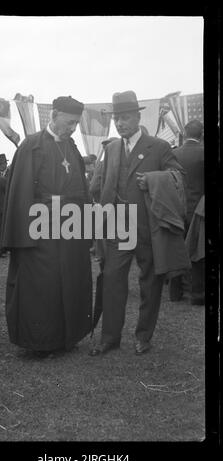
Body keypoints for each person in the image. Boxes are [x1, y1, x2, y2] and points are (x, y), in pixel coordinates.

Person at [89, 90, 186, 356]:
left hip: (149, 227)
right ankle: (110, 338)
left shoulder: (159, 146)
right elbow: (97, 185)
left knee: (150, 283)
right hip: (119, 226)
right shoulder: (110, 148)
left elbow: (177, 176)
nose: (119, 123)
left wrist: (154, 179)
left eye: (124, 118)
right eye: (116, 118)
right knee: (112, 280)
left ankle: (144, 336)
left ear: (137, 117)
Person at [1, 96, 92, 357]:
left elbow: (81, 190)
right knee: (42, 288)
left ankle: (67, 338)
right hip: (39, 233)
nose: (72, 128)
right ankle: (40, 343)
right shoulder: (32, 146)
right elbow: (20, 193)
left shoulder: (72, 148)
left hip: (71, 232)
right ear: (53, 115)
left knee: (71, 283)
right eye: (69, 122)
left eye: (76, 123)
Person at [169, 119, 204, 305]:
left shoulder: (173, 154)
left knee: (177, 249)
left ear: (184, 132)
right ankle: (198, 294)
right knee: (198, 252)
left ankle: (175, 292)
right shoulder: (203, 153)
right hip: (199, 210)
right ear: (202, 134)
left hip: (177, 209)